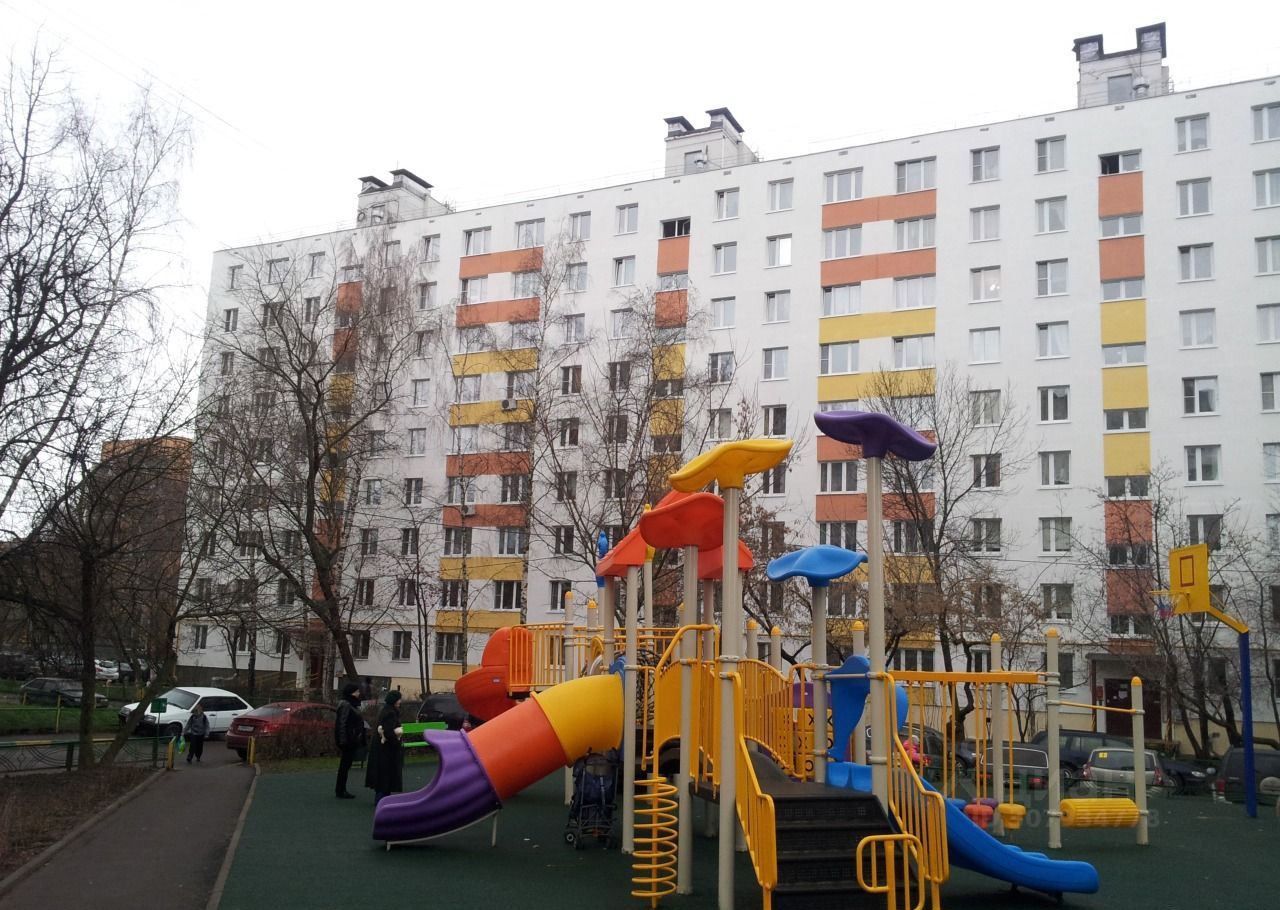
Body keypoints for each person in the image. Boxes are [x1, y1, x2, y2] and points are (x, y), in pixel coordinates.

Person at [365, 690, 405, 804]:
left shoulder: (386, 710)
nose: (400, 701)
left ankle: (383, 798)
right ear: (394, 700)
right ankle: (381, 800)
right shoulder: (390, 713)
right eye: (399, 699)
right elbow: (388, 732)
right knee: (385, 774)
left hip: (382, 748)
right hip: (386, 749)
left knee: (383, 774)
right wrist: (397, 741)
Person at [334, 683, 367, 799]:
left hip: (351, 738)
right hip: (347, 740)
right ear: (351, 693)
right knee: (344, 765)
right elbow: (342, 724)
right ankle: (340, 790)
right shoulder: (346, 705)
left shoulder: (352, 704)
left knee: (346, 765)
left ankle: (341, 789)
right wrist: (343, 740)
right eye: (356, 692)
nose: (358, 694)